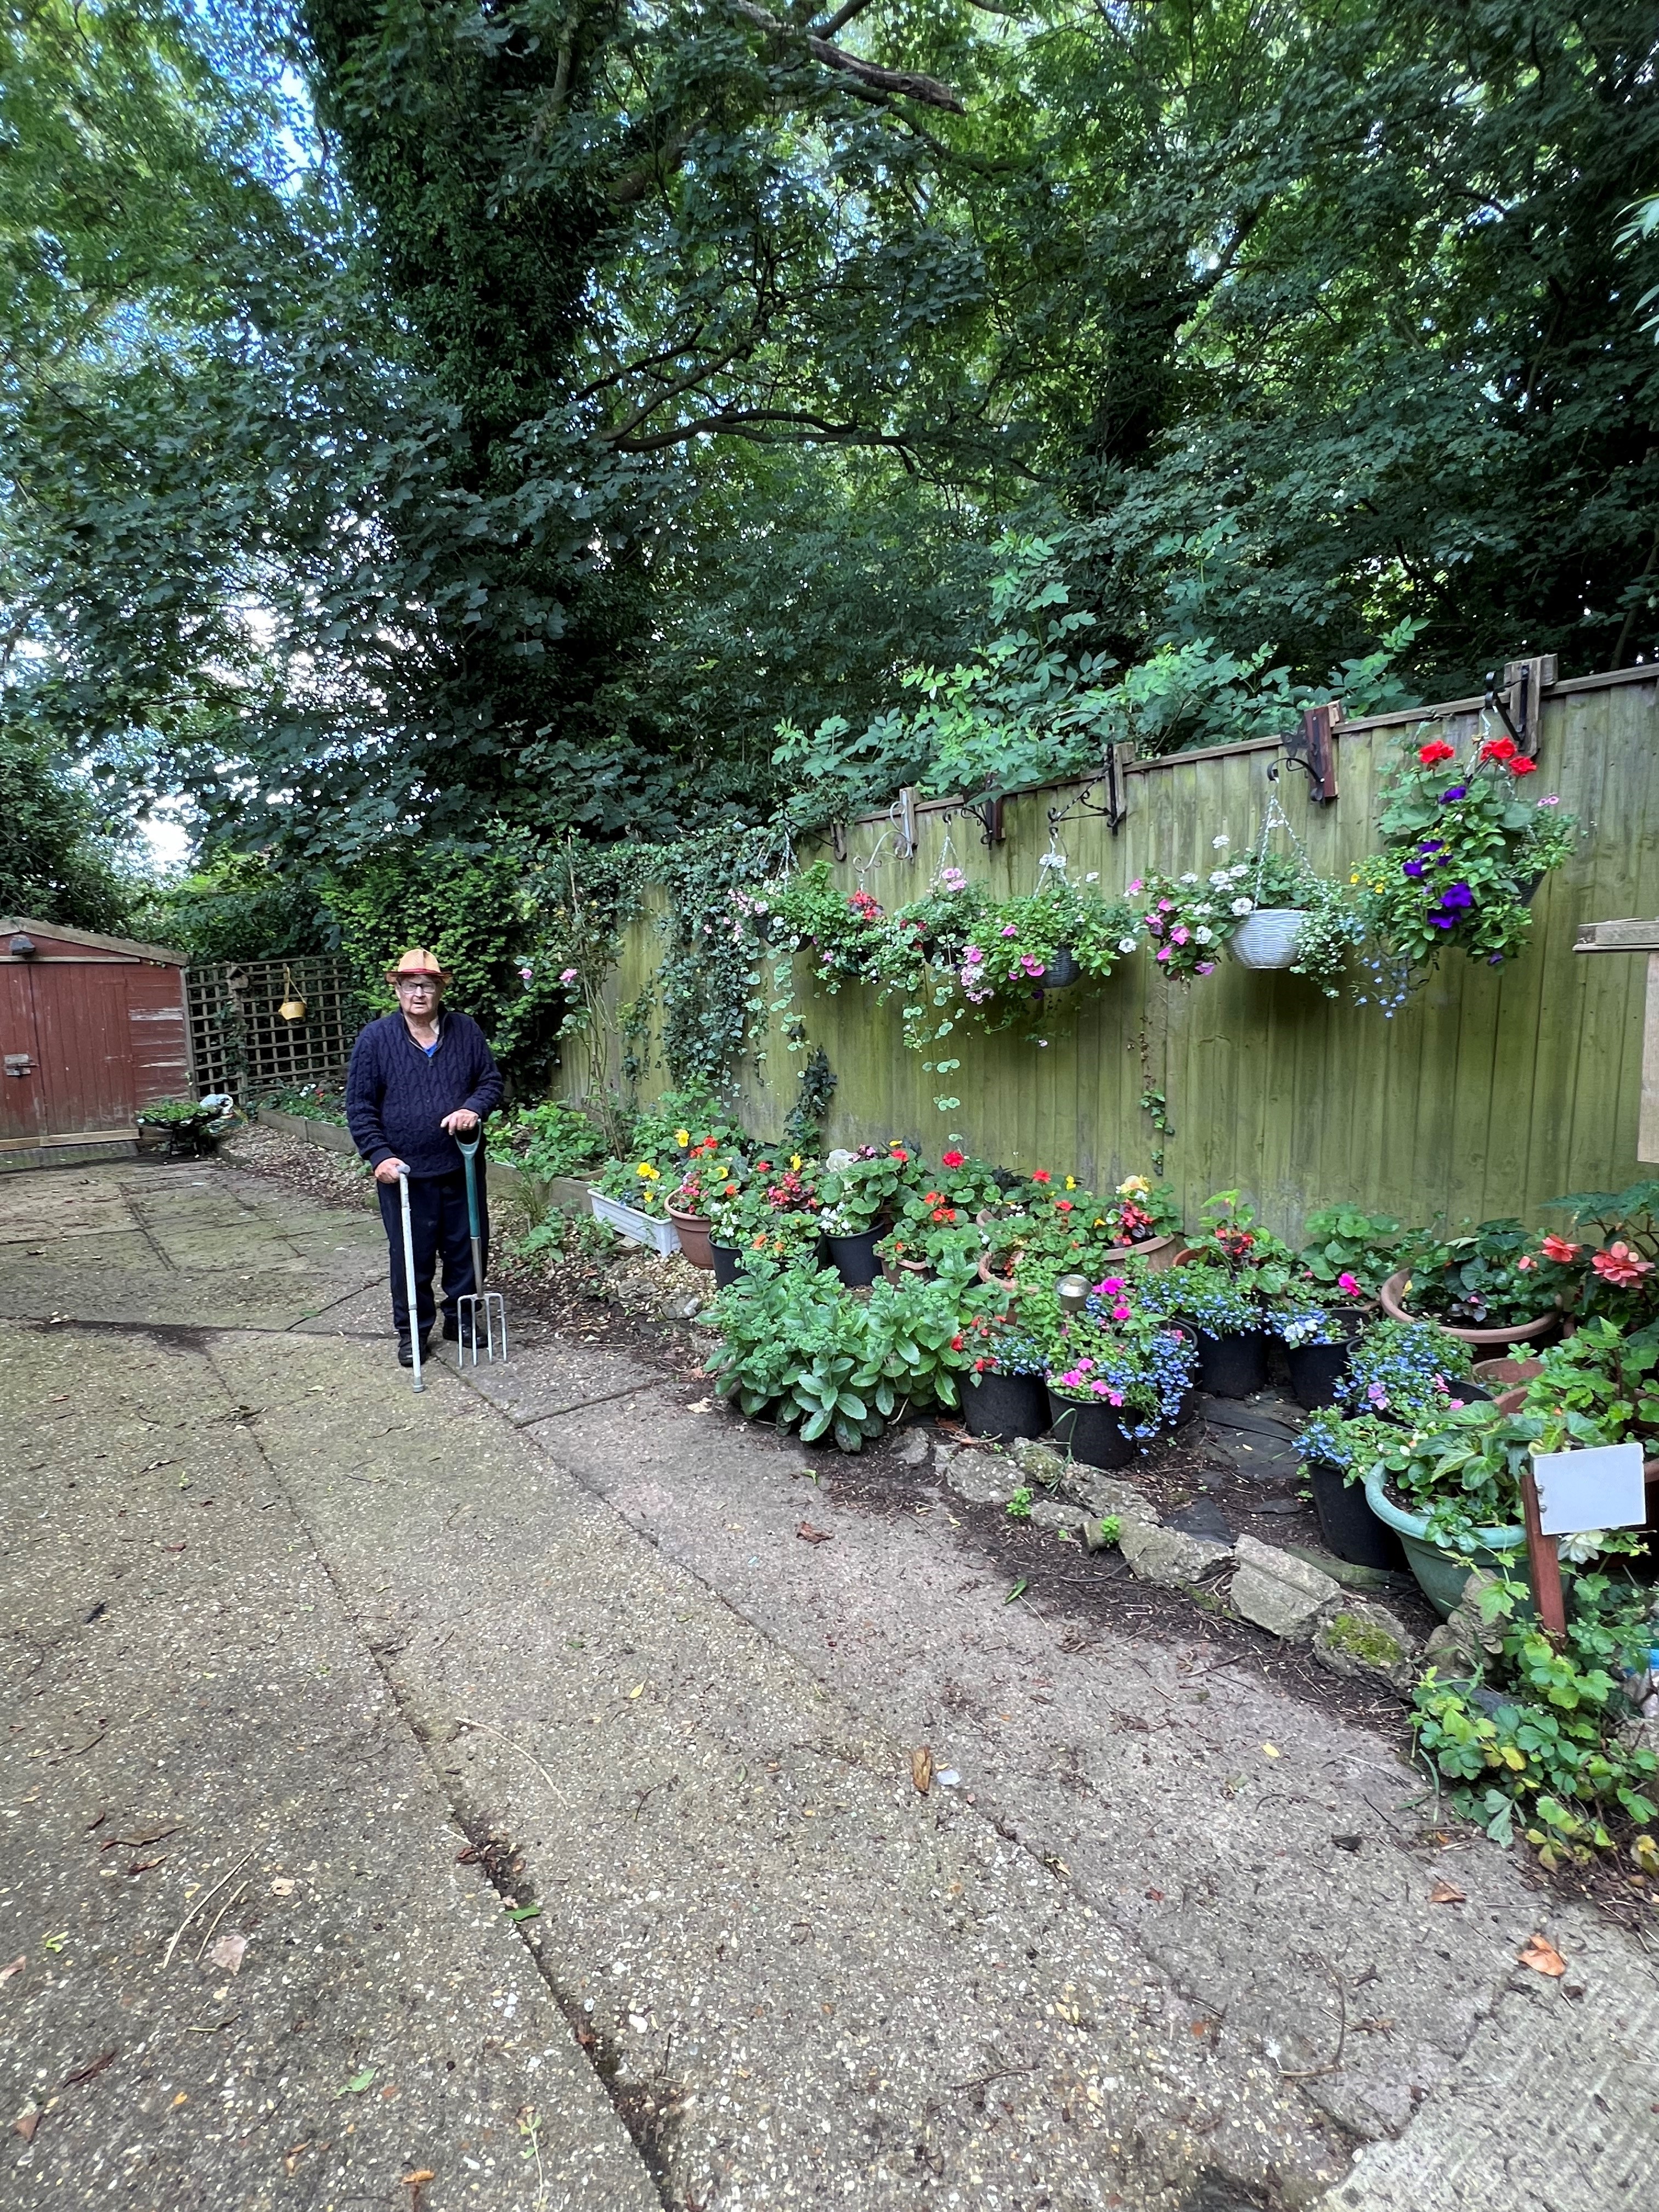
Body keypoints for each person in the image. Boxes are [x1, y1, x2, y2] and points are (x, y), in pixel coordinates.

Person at [345, 948, 505, 1365]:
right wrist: (378, 1156)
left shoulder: (465, 1031)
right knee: (410, 1254)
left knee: (466, 1248)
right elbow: (360, 1106)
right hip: (404, 1174)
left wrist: (473, 1109)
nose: (420, 993)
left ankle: (462, 1320)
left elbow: (490, 1082)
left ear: (440, 989)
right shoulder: (375, 1040)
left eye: (428, 985)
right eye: (411, 985)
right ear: (397, 989)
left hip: (460, 1165)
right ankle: (413, 1331)